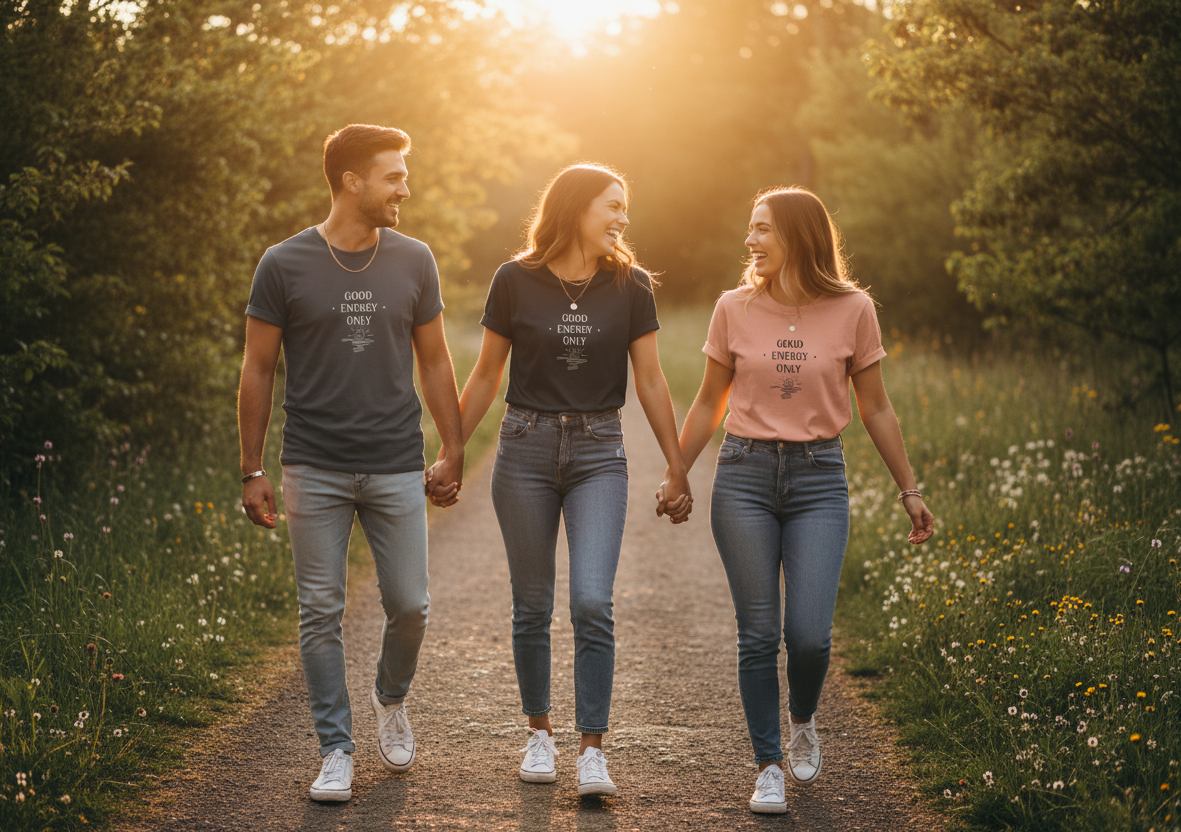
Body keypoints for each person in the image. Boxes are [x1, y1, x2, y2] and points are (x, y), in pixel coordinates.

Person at [659, 186, 934, 814]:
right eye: (750, 228)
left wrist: (908, 490)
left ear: (799, 237)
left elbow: (876, 406)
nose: (750, 241)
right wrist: (678, 472)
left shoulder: (854, 309)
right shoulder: (733, 307)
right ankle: (769, 764)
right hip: (745, 475)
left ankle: (803, 718)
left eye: (763, 230)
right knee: (758, 634)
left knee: (808, 636)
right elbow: (708, 402)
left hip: (818, 479)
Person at [447, 163, 691, 796]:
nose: (622, 218)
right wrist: (451, 450)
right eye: (613, 205)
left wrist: (677, 464)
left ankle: (591, 750)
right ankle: (538, 734)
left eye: (625, 208)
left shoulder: (631, 286)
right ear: (577, 207)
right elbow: (484, 377)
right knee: (531, 603)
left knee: (591, 601)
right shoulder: (514, 280)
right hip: (524, 447)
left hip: (598, 451)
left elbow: (653, 381)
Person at [237, 123, 464, 802]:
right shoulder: (283, 263)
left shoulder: (414, 259)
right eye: (394, 176)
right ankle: (335, 747)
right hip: (315, 465)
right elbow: (257, 369)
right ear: (351, 182)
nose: (406, 188)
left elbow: (435, 359)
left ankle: (390, 699)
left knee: (411, 604)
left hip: (396, 460)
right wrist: (251, 468)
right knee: (320, 610)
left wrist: (453, 448)